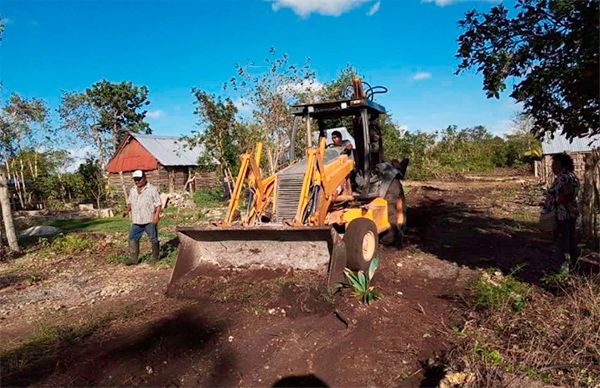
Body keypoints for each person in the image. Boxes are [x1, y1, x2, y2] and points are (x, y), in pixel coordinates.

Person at [545, 153, 580, 272]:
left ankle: (563, 269)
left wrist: (556, 202)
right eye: (552, 164)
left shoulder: (564, 177)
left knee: (563, 241)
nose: (553, 167)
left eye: (556, 164)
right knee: (570, 240)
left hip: (563, 214)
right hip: (569, 213)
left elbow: (567, 195)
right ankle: (573, 267)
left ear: (563, 166)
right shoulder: (571, 176)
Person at [124, 170, 162, 265]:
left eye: (139, 179)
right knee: (132, 238)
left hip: (149, 219)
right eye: (135, 180)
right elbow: (130, 202)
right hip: (137, 220)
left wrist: (156, 216)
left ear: (144, 178)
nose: (137, 182)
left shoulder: (152, 189)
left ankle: (155, 258)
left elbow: (158, 204)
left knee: (153, 238)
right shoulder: (133, 190)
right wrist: (127, 210)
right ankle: (134, 259)